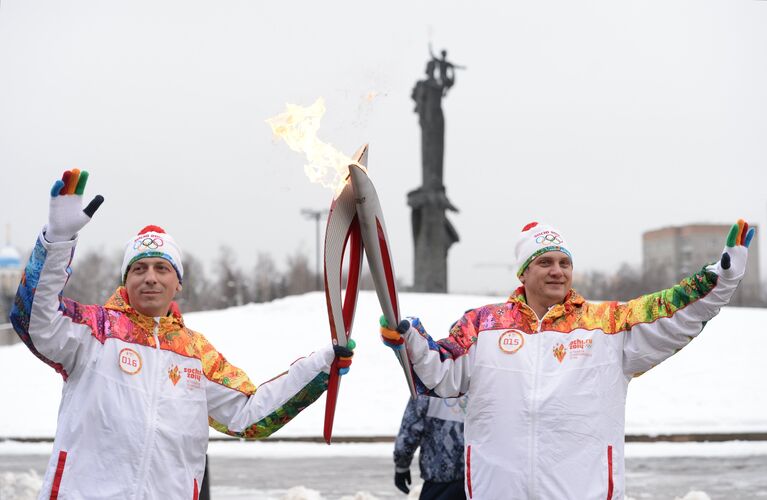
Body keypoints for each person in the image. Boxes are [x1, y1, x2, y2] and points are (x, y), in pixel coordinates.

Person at [9, 169, 354, 498]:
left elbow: (251, 416)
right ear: (126, 281)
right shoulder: (94, 332)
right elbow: (34, 319)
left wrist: (322, 365)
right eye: (139, 268)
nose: (150, 277)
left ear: (178, 283)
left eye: (162, 268)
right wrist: (56, 240)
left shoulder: (195, 354)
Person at [381, 220, 755, 499]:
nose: (557, 270)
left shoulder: (606, 324)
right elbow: (440, 372)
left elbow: (671, 313)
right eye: (545, 262)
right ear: (524, 272)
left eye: (564, 262)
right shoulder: (483, 325)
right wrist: (408, 338)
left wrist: (719, 281)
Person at [393, 394, 468, 500]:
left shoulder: (426, 385)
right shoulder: (483, 382)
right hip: (476, 481)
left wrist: (402, 466)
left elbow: (410, 430)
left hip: (438, 482)